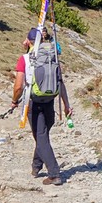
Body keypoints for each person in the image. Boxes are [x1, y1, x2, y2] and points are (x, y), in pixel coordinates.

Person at [10, 27, 71, 186]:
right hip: (50, 100)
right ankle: (36, 166)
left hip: (34, 102)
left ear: (29, 41)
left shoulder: (25, 59)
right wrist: (66, 105)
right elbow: (60, 82)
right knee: (42, 135)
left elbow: (18, 86)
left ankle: (54, 173)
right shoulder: (52, 57)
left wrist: (15, 101)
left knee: (41, 136)